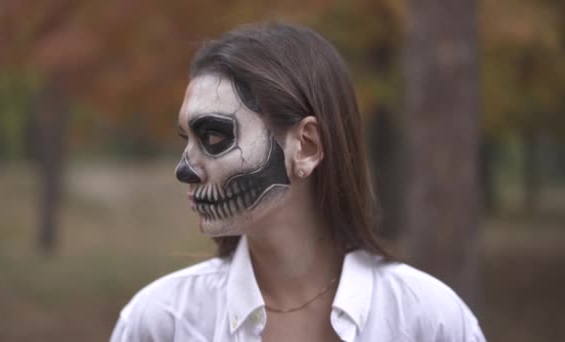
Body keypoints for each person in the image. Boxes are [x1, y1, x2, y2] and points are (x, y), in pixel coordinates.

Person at [110, 22, 485, 342]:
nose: (184, 169)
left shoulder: (425, 320)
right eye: (185, 140)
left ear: (305, 146)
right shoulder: (163, 322)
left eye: (213, 137)